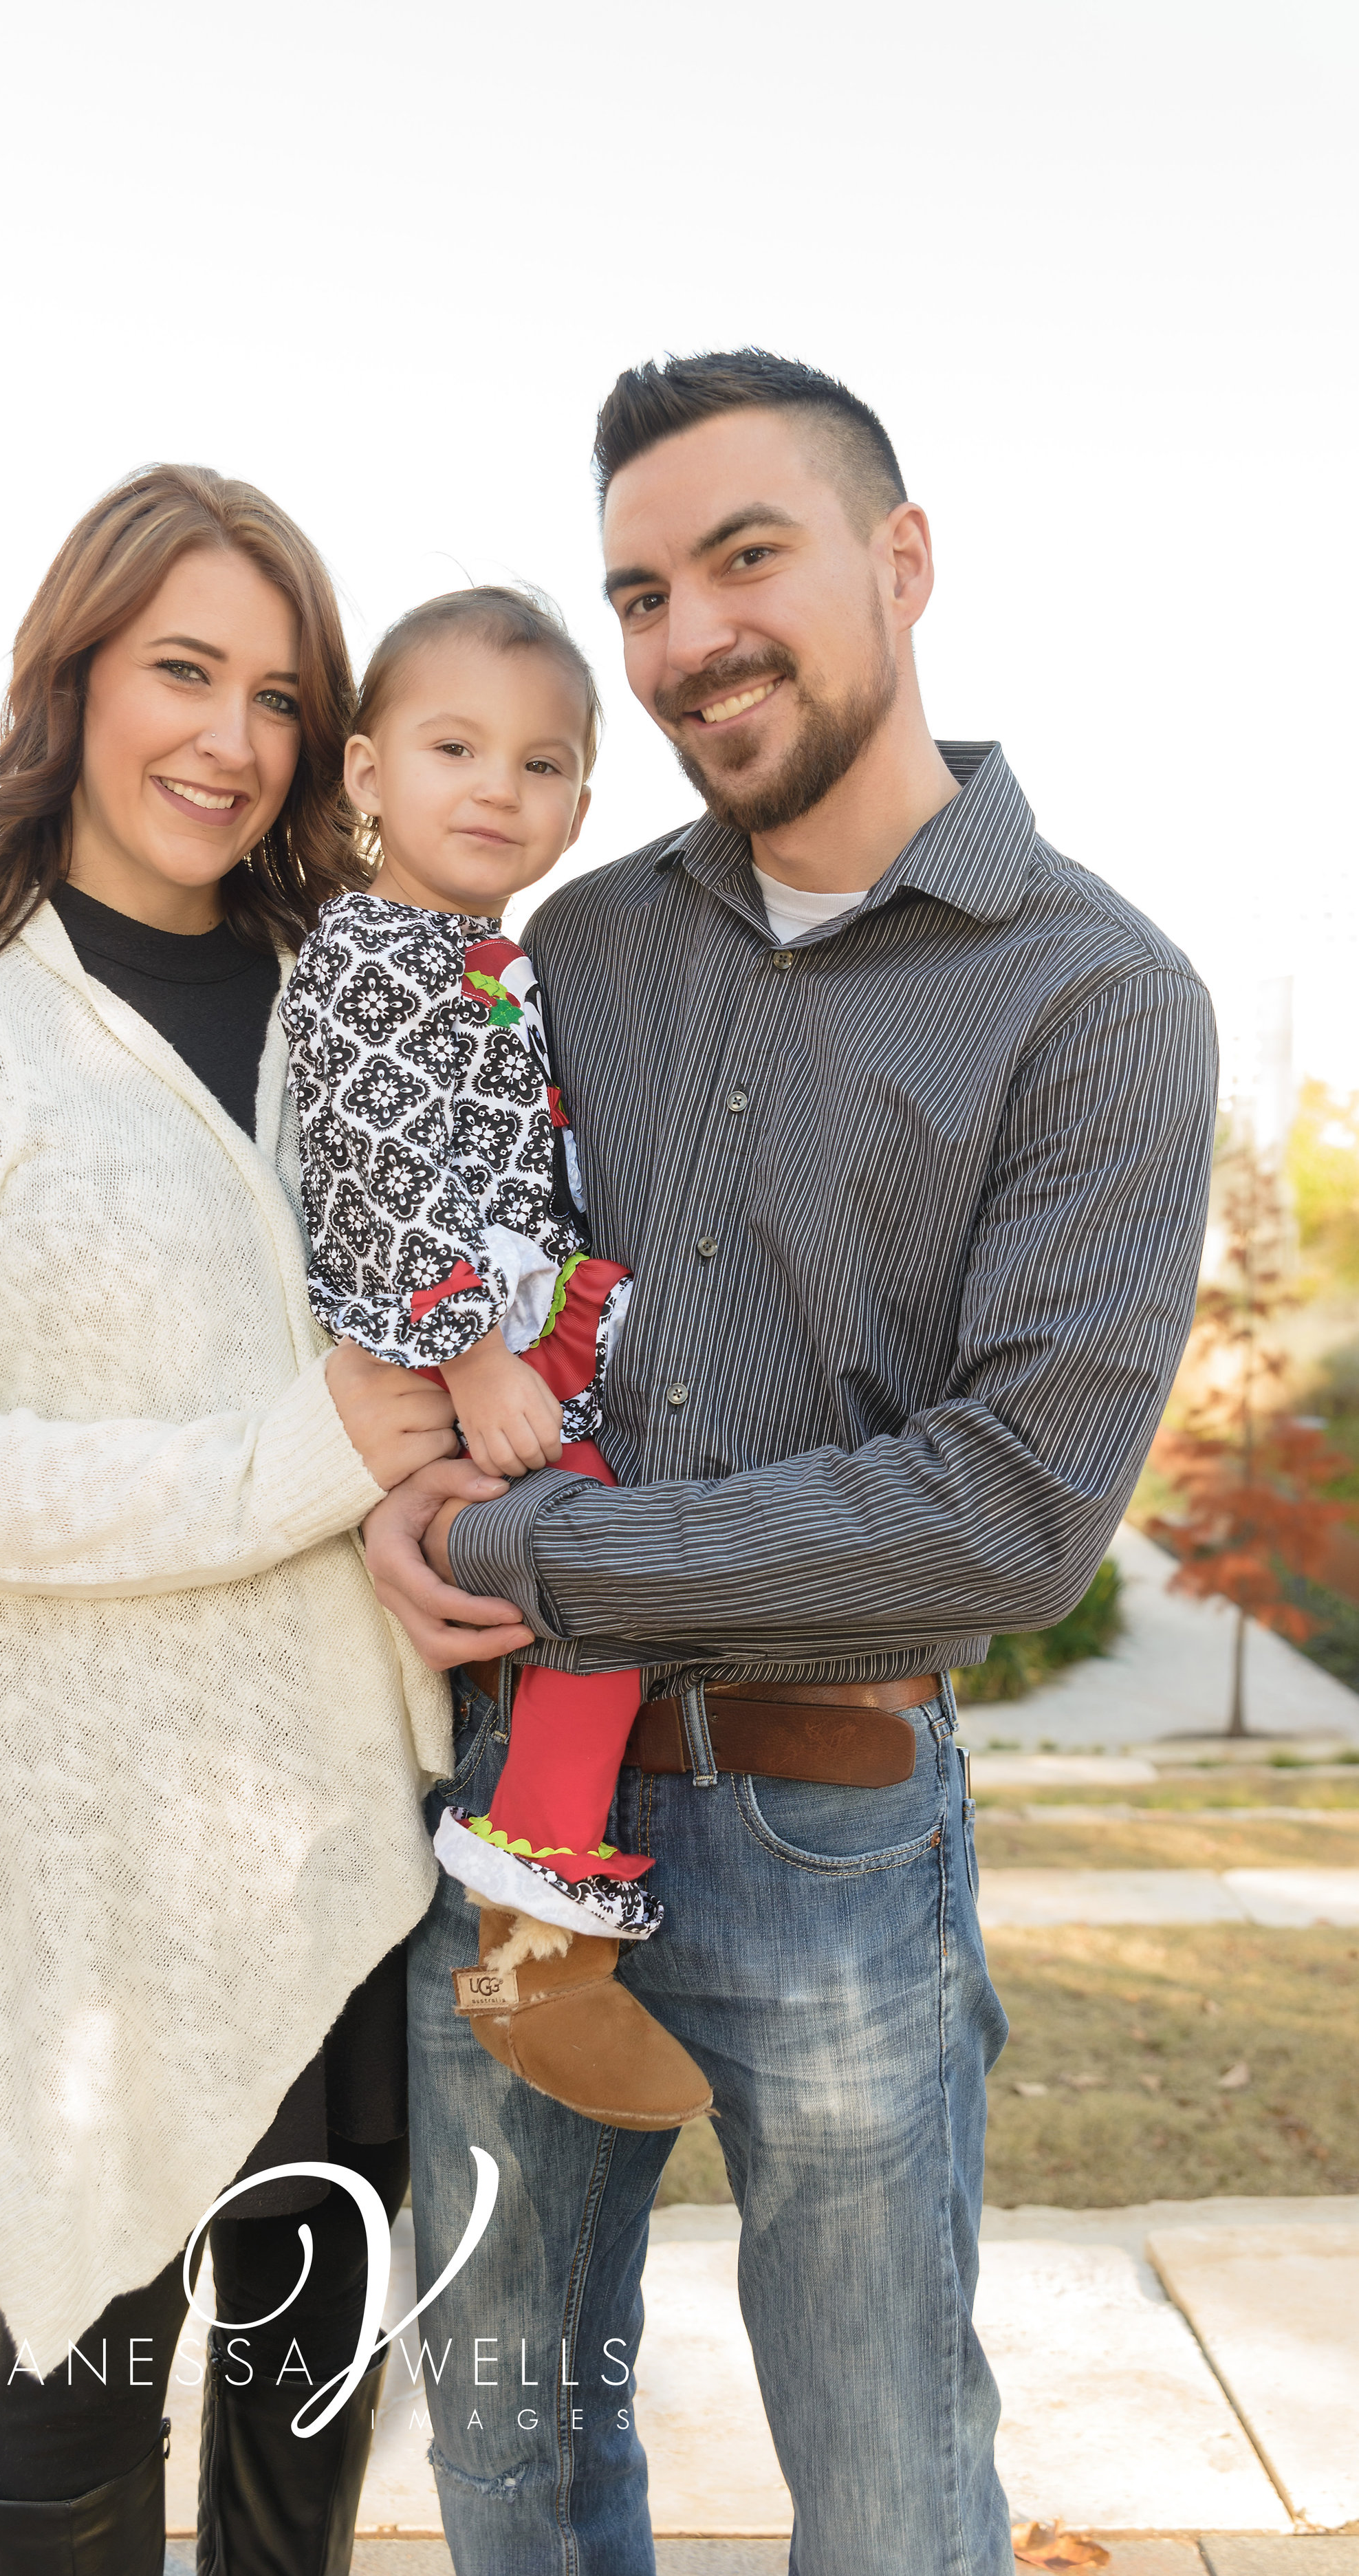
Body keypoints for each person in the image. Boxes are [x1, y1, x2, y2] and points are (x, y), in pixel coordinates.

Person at [363, 351, 1219, 2575]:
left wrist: (544, 1546)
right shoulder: (578, 944)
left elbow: (1005, 1510)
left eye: (746, 559)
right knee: (511, 2448)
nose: (686, 638)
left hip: (833, 1822)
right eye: (642, 590)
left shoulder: (1096, 996)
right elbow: (439, 1261)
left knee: (889, 2481)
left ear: (901, 558)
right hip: (516, 1821)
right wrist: (388, 1464)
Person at [0, 465, 503, 2576]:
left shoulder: (352, 988)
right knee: (77, 2367)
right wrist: (297, 1459)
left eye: (279, 695)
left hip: (346, 1832)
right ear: (73, 672)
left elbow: (442, 1332)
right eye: (181, 669)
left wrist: (440, 1500)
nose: (227, 737)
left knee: (312, 2382)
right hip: (72, 1856)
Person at [279, 585, 712, 2134]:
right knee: (595, 1571)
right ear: (363, 771)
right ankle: (531, 1956)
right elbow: (377, 1165)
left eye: (539, 766)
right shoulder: (370, 956)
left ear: (580, 804)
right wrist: (471, 1355)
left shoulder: (480, 954)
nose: (496, 788)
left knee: (589, 1603)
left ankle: (544, 1938)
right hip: (461, 1343)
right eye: (453, 745)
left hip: (520, 1329)